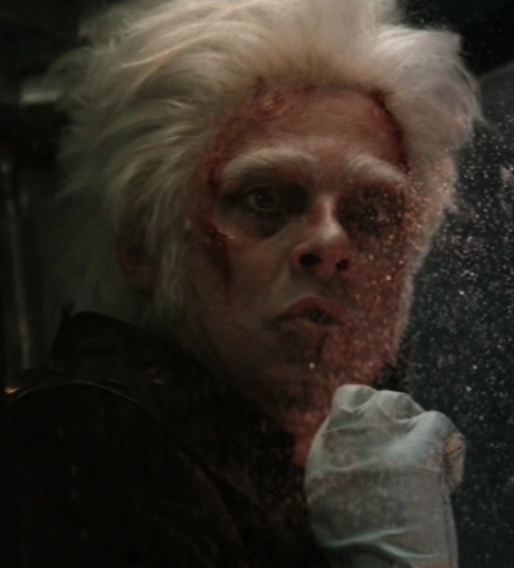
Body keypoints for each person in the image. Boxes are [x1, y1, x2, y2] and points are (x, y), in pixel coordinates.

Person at [7, 0, 480, 567]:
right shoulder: (80, 443)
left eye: (372, 214)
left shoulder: (285, 464)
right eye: (265, 199)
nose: (331, 243)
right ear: (145, 248)